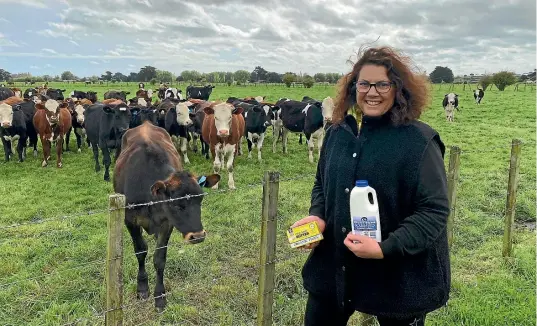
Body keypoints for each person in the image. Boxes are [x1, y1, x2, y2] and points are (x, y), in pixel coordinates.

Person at [291, 45, 451, 326]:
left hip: (397, 275)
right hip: (336, 265)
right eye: (364, 83)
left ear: (398, 89)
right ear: (353, 87)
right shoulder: (338, 132)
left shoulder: (419, 141)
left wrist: (384, 248)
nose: (372, 92)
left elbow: (433, 211)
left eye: (382, 84)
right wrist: (317, 216)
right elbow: (321, 183)